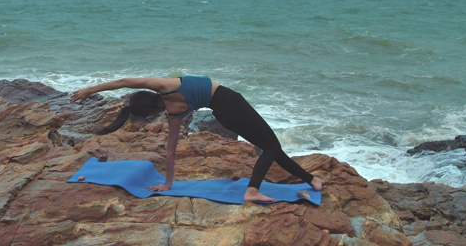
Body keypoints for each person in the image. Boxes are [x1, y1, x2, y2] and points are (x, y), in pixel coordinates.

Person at [70, 75, 324, 203]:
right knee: (272, 146)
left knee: (270, 147)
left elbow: (170, 152)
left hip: (223, 114)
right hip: (229, 101)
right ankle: (253, 190)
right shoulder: (165, 85)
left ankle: (312, 180)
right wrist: (88, 90)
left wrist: (168, 185)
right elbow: (125, 81)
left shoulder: (174, 113)